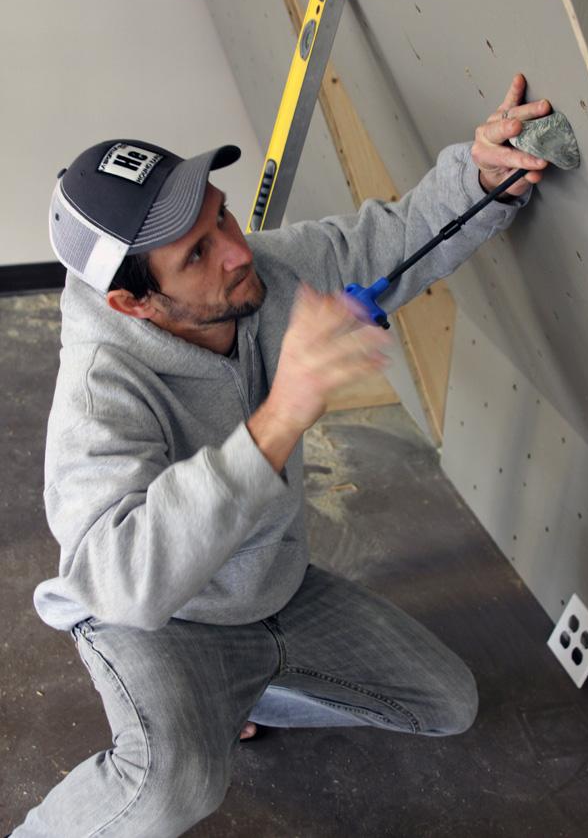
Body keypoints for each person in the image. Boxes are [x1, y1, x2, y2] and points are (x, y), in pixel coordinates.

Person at [13, 75, 550, 837]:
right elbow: (121, 582)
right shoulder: (101, 398)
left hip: (270, 590)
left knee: (446, 704)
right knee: (173, 788)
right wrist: (284, 412)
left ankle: (243, 694)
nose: (237, 250)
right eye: (197, 253)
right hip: (164, 623)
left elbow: (391, 237)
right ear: (131, 303)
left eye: (221, 214)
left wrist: (486, 177)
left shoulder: (264, 271)